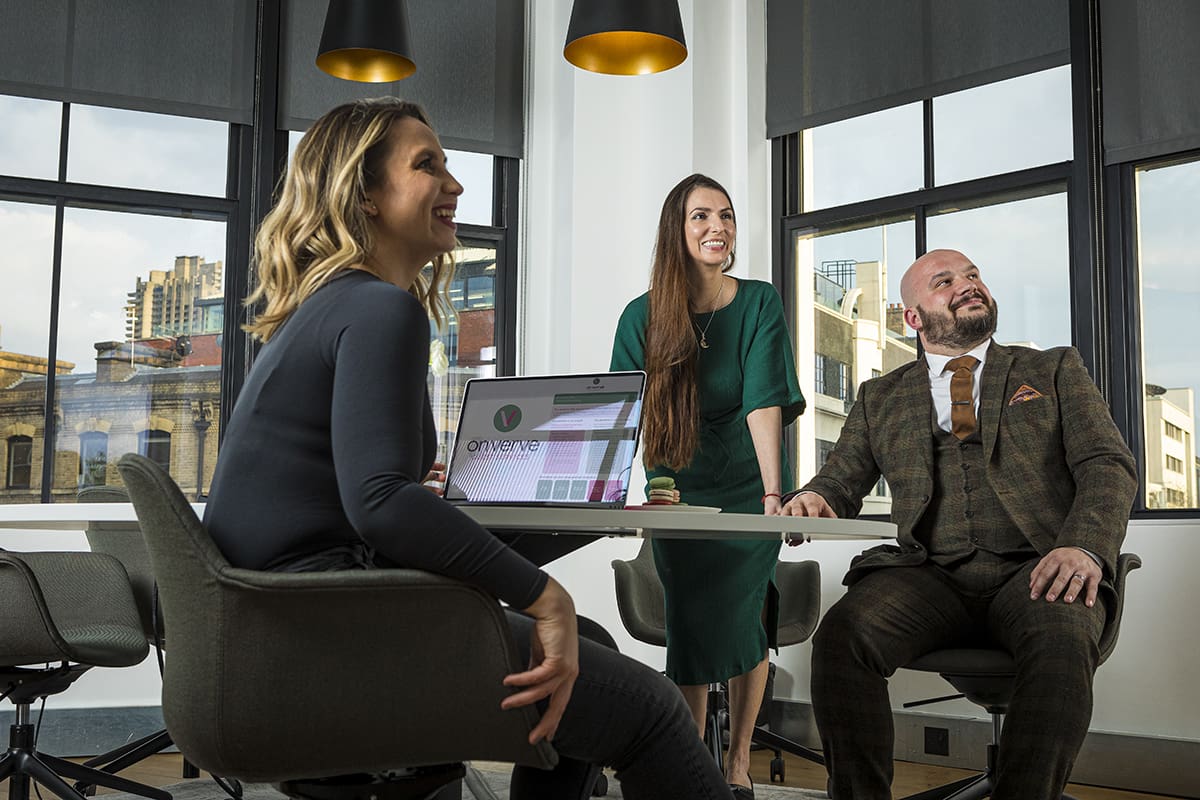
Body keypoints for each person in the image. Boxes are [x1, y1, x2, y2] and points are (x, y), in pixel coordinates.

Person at [202, 98, 733, 800]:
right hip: (328, 639)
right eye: (428, 166)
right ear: (363, 194)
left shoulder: (329, 307)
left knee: (592, 650)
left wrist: (598, 512)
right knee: (655, 713)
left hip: (283, 632)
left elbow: (373, 505)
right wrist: (545, 597)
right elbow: (381, 504)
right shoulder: (377, 309)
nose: (454, 185)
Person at [782, 248, 1137, 800]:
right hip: (930, 575)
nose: (967, 285)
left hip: (1036, 566)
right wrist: (811, 498)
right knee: (842, 636)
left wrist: (1085, 547)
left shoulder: (1051, 369)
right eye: (944, 282)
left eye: (972, 275)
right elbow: (839, 481)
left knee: (1063, 636)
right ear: (913, 318)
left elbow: (1106, 464)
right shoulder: (881, 396)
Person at [610, 173, 805, 798]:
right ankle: (690, 762)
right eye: (701, 216)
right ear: (678, 229)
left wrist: (775, 497)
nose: (717, 227)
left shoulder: (758, 302)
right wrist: (644, 489)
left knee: (748, 613)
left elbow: (762, 399)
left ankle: (739, 760)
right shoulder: (641, 316)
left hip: (750, 484)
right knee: (692, 619)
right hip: (677, 484)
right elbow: (625, 410)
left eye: (725, 216)